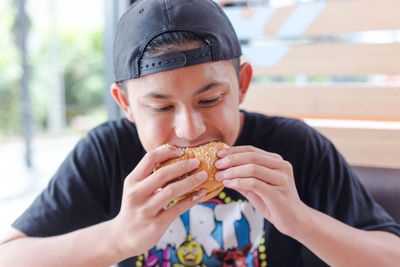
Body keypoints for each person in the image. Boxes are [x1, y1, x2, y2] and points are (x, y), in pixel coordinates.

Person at [1, 0, 399, 266]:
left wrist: (299, 220)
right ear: (124, 104)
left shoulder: (294, 148)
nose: (190, 130)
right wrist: (120, 237)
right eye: (160, 107)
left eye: (209, 100)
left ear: (241, 84)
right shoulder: (108, 153)